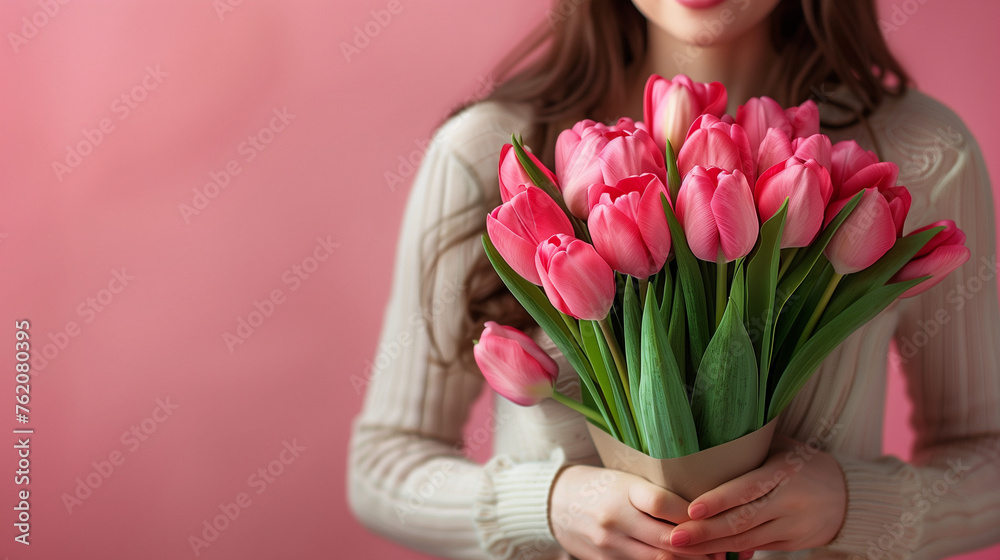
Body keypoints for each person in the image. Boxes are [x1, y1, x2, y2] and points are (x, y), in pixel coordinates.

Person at [347, 1, 1000, 558]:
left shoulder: (920, 152)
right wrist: (548, 504)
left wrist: (853, 503)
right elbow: (381, 467)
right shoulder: (489, 151)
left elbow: (988, 459)